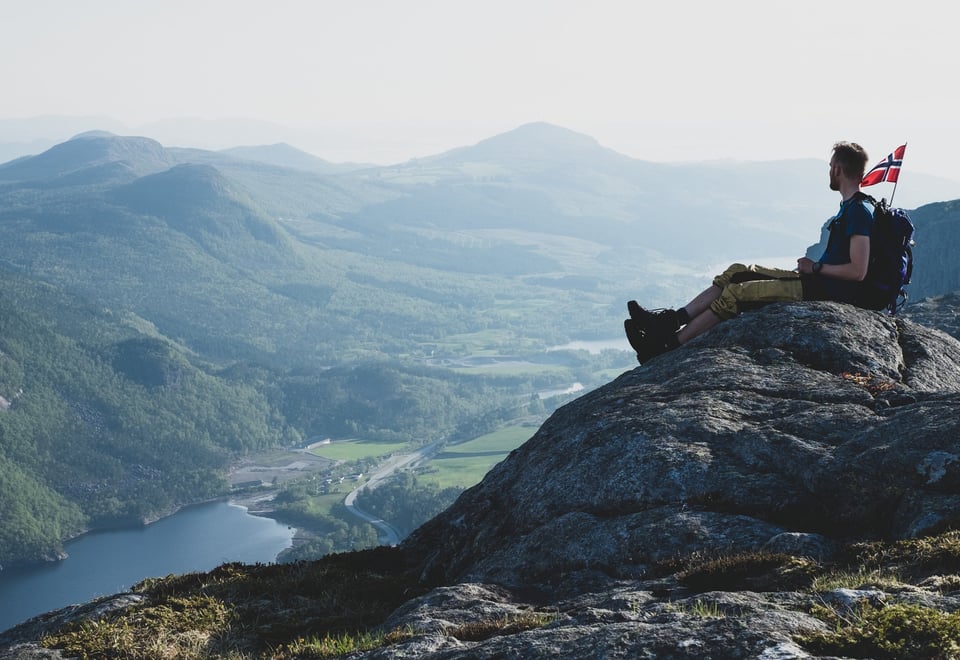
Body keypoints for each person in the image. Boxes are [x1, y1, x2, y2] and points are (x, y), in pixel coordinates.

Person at [625, 141, 874, 364]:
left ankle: (666, 346)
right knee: (736, 273)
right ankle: (666, 323)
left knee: (737, 293)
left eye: (830, 166)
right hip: (815, 282)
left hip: (823, 291)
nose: (829, 171)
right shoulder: (850, 207)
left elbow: (858, 271)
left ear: (838, 170)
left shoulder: (859, 212)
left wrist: (816, 267)